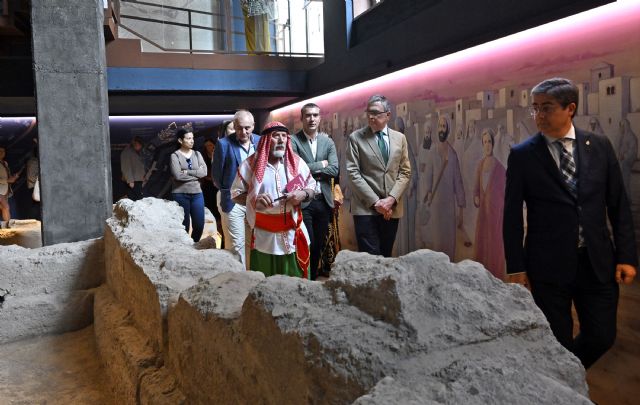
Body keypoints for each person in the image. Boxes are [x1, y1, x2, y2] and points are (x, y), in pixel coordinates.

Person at [503, 77, 637, 369]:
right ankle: (562, 383)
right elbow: (511, 215)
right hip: (547, 265)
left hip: (596, 262)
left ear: (570, 109)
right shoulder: (523, 155)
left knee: (602, 336)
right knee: (556, 341)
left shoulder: (599, 147)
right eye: (535, 108)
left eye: (546, 108)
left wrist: (626, 256)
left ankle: (564, 375)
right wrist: (516, 267)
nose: (538, 115)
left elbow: (618, 204)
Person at [231, 121, 316, 278]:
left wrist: (303, 194)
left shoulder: (297, 163)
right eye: (276, 136)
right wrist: (253, 199)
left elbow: (312, 186)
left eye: (284, 136)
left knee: (297, 283)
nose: (281, 140)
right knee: (266, 282)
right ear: (265, 140)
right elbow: (235, 194)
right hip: (265, 239)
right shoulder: (250, 165)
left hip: (293, 235)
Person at [345, 95, 411, 257]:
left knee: (386, 255)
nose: (371, 117)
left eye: (375, 113)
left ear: (388, 115)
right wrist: (376, 203)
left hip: (391, 208)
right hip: (365, 208)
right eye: (368, 112)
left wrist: (391, 199)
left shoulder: (400, 138)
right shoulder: (356, 138)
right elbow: (353, 173)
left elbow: (405, 172)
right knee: (370, 258)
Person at [290, 103, 339, 279]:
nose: (312, 119)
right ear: (302, 118)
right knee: (307, 242)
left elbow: (334, 169)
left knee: (318, 243)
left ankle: (312, 278)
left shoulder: (328, 142)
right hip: (304, 201)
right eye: (308, 115)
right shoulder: (293, 140)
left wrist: (309, 169)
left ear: (320, 118)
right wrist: (321, 165)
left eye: (315, 115)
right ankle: (305, 278)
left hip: (323, 200)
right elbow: (295, 170)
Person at [212, 110, 261, 268]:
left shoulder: (260, 141)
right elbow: (216, 177)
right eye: (239, 128)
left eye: (247, 128)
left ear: (253, 126)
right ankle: (237, 279)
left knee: (252, 243)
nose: (243, 132)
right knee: (236, 245)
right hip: (233, 201)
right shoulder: (223, 144)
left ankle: (250, 276)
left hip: (254, 201)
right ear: (234, 126)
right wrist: (231, 191)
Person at [422, 115, 465, 260]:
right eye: (440, 126)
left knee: (449, 242)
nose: (441, 129)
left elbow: (458, 182)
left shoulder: (452, 154)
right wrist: (428, 192)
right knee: (437, 241)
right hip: (436, 205)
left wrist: (461, 207)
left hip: (449, 207)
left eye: (444, 126)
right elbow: (428, 176)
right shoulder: (432, 152)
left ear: (448, 130)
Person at [473, 128, 506, 280]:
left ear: (493, 144)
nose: (487, 145)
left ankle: (494, 277)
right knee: (482, 243)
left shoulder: (499, 168)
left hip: (495, 215)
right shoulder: (480, 165)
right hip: (483, 215)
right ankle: (482, 277)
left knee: (494, 245)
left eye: (489, 142)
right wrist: (476, 197)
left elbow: (504, 192)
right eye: (485, 142)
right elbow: (476, 188)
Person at [170, 128, 207, 242]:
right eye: (188, 138)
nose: (192, 141)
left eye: (193, 138)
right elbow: (178, 176)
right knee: (184, 226)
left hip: (197, 193)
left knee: (199, 225)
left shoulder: (197, 154)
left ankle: (194, 245)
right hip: (180, 194)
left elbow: (204, 172)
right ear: (180, 140)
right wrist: (196, 174)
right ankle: (185, 247)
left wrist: (186, 172)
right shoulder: (175, 156)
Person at [200, 137, 221, 227]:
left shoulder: (218, 155)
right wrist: (207, 177)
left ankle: (220, 219)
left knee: (218, 200)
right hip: (207, 183)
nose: (209, 147)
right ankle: (213, 219)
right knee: (209, 201)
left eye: (211, 145)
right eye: (207, 146)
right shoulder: (203, 157)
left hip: (217, 183)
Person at [0, 146, 20, 229]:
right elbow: (6, 179)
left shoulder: (5, 163)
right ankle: (7, 228)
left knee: (5, 208)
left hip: (6, 190)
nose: (2, 153)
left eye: (3, 151)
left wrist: (13, 177)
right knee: (6, 207)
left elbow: (7, 176)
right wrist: (8, 180)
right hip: (0, 190)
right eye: (0, 151)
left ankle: (6, 227)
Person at [120, 136, 146, 201]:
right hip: (133, 181)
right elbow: (126, 167)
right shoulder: (127, 152)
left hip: (136, 180)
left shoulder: (134, 152)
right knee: (135, 199)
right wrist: (130, 181)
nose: (140, 147)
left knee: (138, 199)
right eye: (140, 145)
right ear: (136, 143)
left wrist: (142, 177)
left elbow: (138, 166)